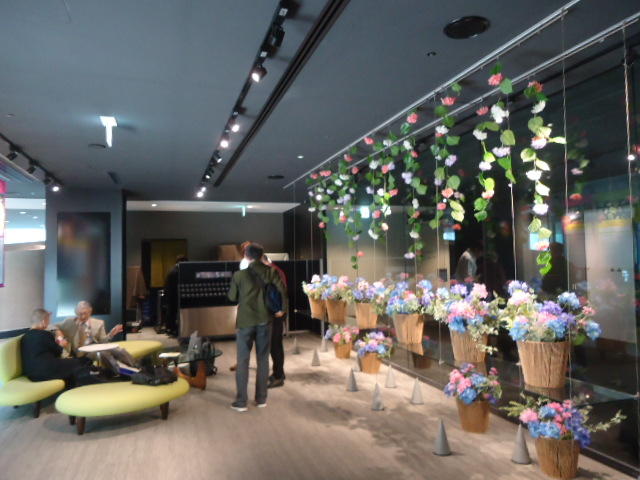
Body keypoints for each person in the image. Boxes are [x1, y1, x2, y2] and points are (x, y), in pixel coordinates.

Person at [227, 243, 287, 412]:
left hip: (245, 322)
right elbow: (282, 292)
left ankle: (241, 402)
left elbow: (232, 297)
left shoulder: (239, 275)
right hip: (265, 320)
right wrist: (282, 310)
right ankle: (261, 399)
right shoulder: (272, 272)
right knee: (263, 359)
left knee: (243, 361)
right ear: (262, 256)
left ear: (246, 256)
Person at [21, 309, 95, 387]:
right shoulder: (45, 334)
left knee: (71, 364)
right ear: (43, 322)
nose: (48, 324)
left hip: (32, 375)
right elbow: (58, 352)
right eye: (48, 321)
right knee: (82, 361)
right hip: (46, 370)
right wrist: (62, 345)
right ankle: (94, 380)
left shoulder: (25, 337)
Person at [57, 301, 123, 356]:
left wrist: (111, 334)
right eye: (80, 314)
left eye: (85, 313)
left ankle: (127, 366)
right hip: (77, 353)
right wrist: (60, 338)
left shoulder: (99, 323)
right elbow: (54, 327)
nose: (83, 316)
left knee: (118, 350)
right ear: (76, 312)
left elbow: (102, 342)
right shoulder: (69, 322)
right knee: (103, 354)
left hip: (92, 350)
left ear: (90, 311)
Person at [262, 254, 288, 389]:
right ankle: (278, 373)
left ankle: (278, 377)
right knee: (275, 345)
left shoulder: (272, 271)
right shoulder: (274, 270)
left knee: (275, 345)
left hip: (275, 313)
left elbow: (279, 292)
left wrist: (280, 310)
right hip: (275, 312)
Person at [164, 255, 189, 336]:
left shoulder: (172, 270)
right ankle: (172, 329)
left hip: (170, 295)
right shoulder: (176, 271)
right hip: (174, 296)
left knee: (171, 312)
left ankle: (170, 329)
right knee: (172, 312)